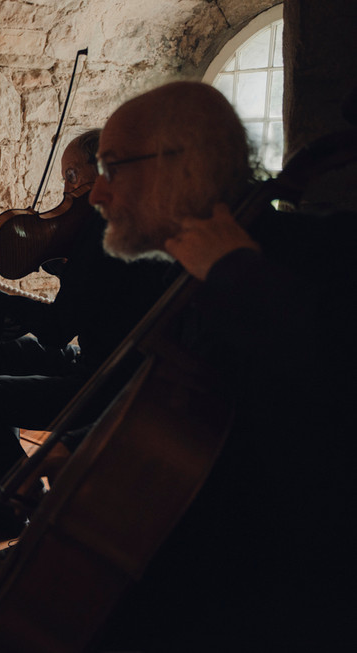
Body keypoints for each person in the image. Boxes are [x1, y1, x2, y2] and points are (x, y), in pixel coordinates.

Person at [86, 81, 357, 649]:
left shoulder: (319, 256)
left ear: (179, 167)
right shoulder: (177, 273)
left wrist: (236, 272)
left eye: (111, 167)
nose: (95, 193)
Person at [0, 130, 173, 536]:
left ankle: (23, 504)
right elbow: (75, 315)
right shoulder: (122, 225)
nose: (65, 193)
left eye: (70, 176)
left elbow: (56, 329)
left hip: (105, 384)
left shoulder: (104, 240)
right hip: (99, 359)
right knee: (4, 348)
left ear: (103, 174)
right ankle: (2, 486)